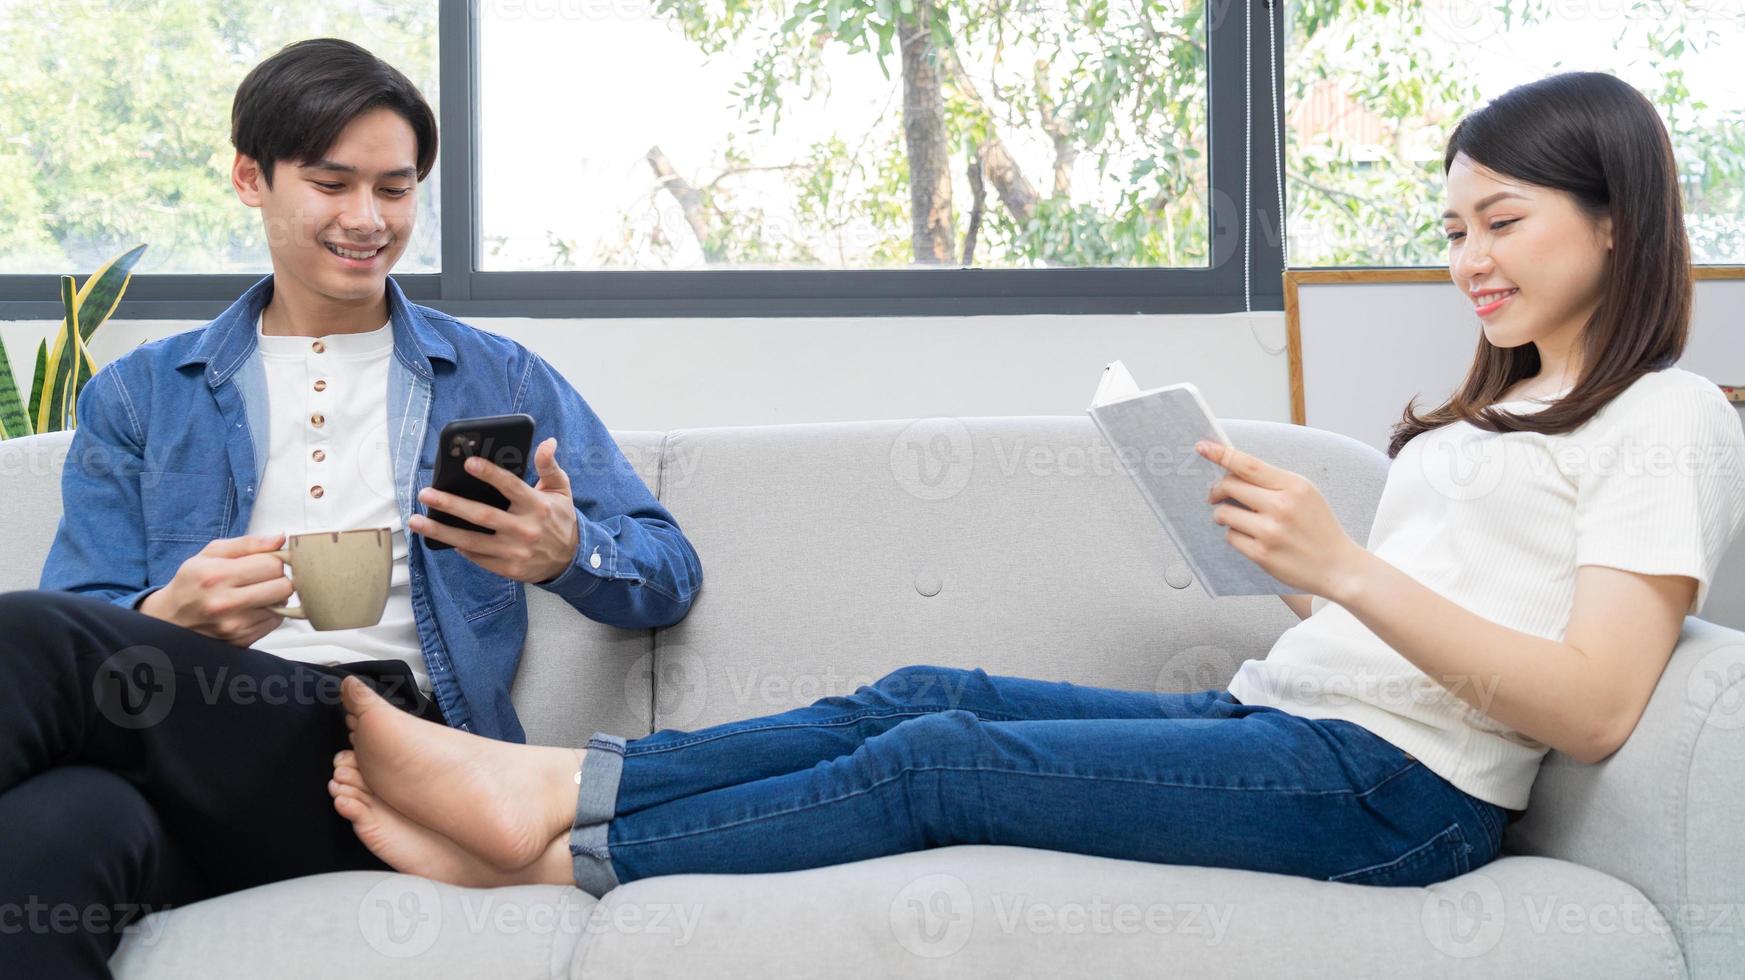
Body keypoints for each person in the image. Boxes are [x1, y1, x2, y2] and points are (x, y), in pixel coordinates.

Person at [330, 72, 1743, 899]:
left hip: (1398, 795)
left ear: (1618, 222)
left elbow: (1600, 701)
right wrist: (1268, 549)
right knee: (920, 691)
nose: (1468, 260)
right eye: (1451, 228)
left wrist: (1347, 569)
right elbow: (1410, 619)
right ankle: (557, 776)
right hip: (1286, 719)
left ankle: (549, 852)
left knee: (945, 764)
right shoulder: (1479, 420)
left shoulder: (1665, 418)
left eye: (1502, 222)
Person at [0, 38, 703, 978]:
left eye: (395, 189)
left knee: (21, 637)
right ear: (252, 177)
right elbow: (85, 610)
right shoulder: (139, 396)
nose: (368, 219)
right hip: (192, 773)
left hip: (398, 766)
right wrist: (166, 618)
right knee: (45, 837)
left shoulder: (497, 374)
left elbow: (668, 571)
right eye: (332, 185)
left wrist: (565, 552)